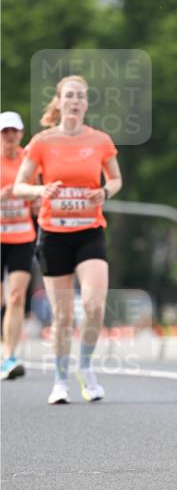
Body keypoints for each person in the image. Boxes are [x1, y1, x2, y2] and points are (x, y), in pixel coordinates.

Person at [13, 75, 122, 403]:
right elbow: (20, 185)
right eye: (69, 95)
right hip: (54, 235)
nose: (75, 101)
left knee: (93, 304)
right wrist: (40, 190)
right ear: (59, 101)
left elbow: (116, 178)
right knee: (61, 315)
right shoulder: (42, 141)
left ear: (86, 104)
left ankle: (85, 368)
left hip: (89, 232)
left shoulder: (100, 140)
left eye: (81, 96)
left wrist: (104, 192)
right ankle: (60, 380)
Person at [1, 111, 37, 379]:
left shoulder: (30, 160)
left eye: (14, 131)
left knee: (16, 297)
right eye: (5, 132)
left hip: (22, 236)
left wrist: (35, 201)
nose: (10, 136)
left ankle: (9, 356)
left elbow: (39, 196)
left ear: (22, 134)